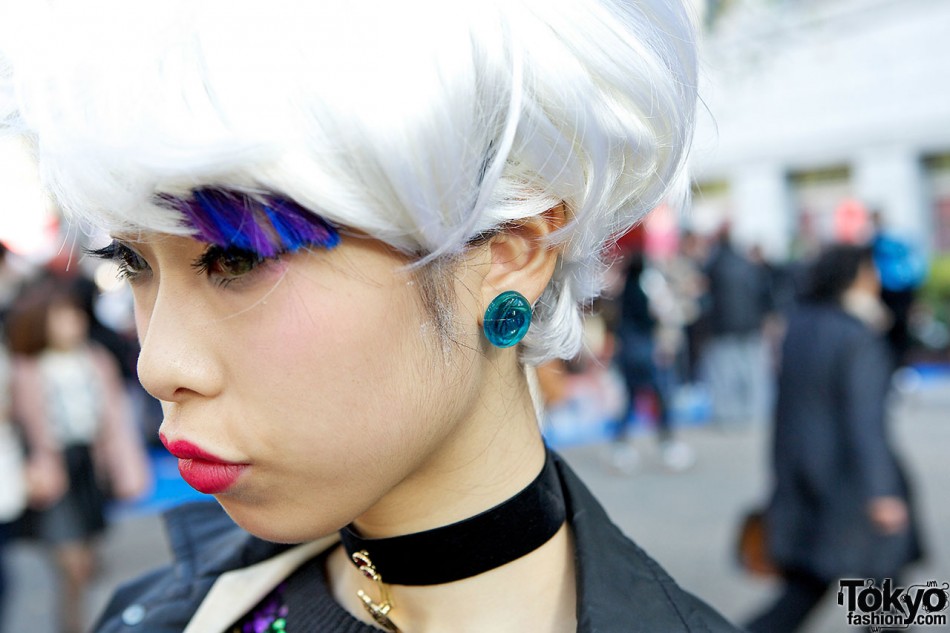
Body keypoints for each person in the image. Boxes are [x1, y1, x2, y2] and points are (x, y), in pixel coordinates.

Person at [1, 2, 741, 631]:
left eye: (235, 259)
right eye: (134, 264)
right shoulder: (160, 614)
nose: (159, 365)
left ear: (509, 254)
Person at [745, 244, 923, 633]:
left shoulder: (797, 326)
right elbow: (865, 420)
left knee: (807, 588)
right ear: (855, 277)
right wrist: (882, 492)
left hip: (806, 478)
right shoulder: (856, 336)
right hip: (852, 485)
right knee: (879, 591)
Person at [5, 279, 151, 633]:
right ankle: (72, 623)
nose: (72, 323)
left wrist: (124, 466)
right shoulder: (25, 368)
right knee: (72, 559)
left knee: (87, 550)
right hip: (53, 467)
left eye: (74, 316)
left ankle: (75, 616)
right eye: (61, 317)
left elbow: (115, 419)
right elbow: (18, 427)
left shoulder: (94, 358)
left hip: (88, 464)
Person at [609, 252, 694, 473]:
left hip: (628, 350)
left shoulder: (624, 287)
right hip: (646, 350)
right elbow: (657, 315)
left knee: (630, 399)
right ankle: (668, 444)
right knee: (661, 396)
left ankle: (622, 446)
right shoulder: (647, 286)